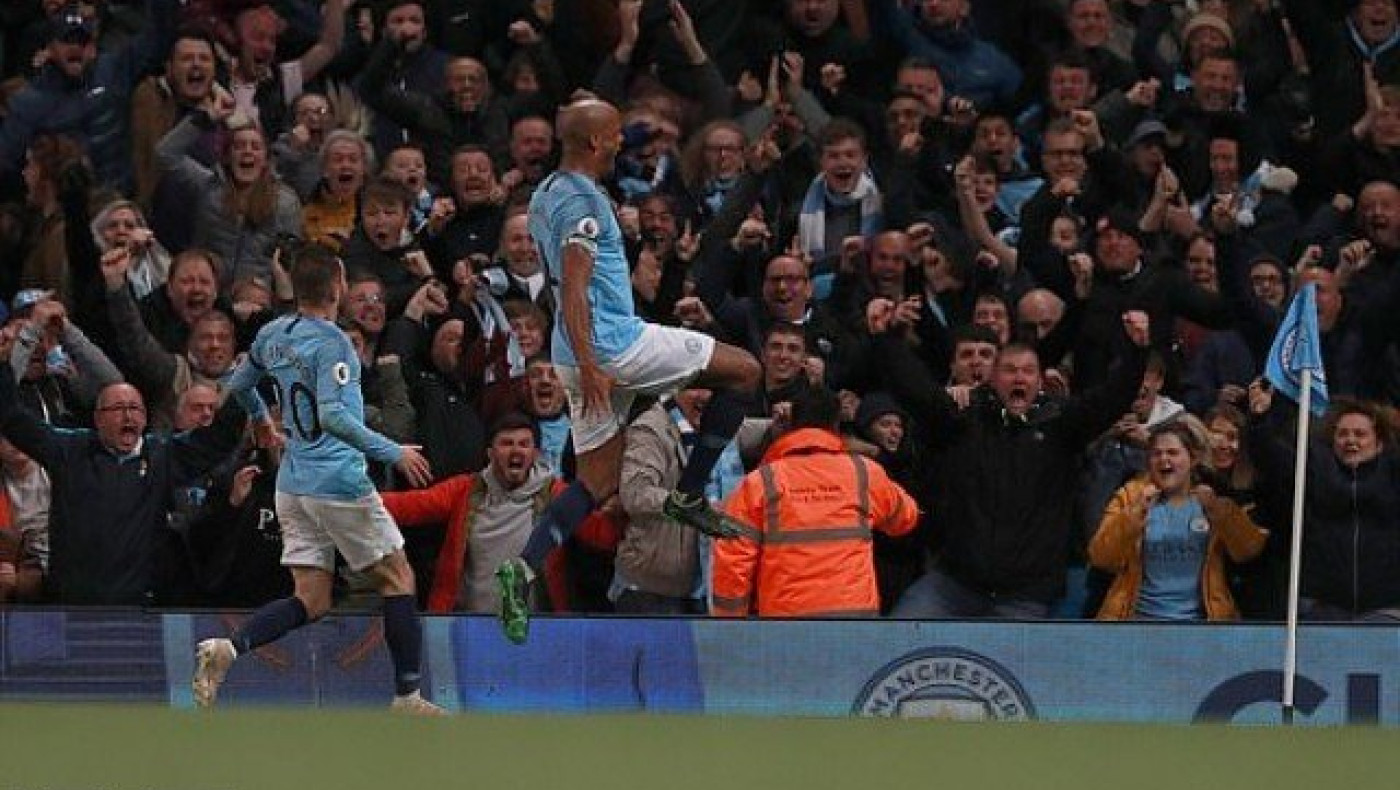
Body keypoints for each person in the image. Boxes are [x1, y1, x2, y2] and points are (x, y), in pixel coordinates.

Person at [498, 98, 761, 644]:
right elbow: (572, 285)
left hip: (574, 354)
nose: (621, 142)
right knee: (745, 371)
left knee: (596, 481)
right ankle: (689, 493)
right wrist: (596, 363)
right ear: (595, 144)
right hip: (614, 346)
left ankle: (521, 568)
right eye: (615, 135)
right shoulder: (585, 205)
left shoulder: (547, 191)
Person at [191, 245, 444, 715]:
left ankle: (227, 650)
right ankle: (408, 695)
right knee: (398, 577)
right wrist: (396, 452)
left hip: (293, 485)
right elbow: (333, 417)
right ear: (338, 286)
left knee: (312, 598)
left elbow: (238, 384)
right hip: (339, 482)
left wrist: (262, 421)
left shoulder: (272, 332)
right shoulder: (334, 344)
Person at [711, 386, 920, 617]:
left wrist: (730, 622)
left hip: (784, 620)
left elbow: (733, 560)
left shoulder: (761, 481)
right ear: (836, 426)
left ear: (792, 425)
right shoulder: (863, 473)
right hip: (855, 618)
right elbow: (906, 518)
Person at [1088, 419, 1267, 620]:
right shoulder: (1130, 497)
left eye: (1173, 452)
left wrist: (1220, 513)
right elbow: (1101, 557)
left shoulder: (1214, 499)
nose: (1164, 460)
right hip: (1136, 621)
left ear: (1193, 459)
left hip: (1200, 625)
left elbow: (1248, 550)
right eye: (1156, 454)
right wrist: (1133, 515)